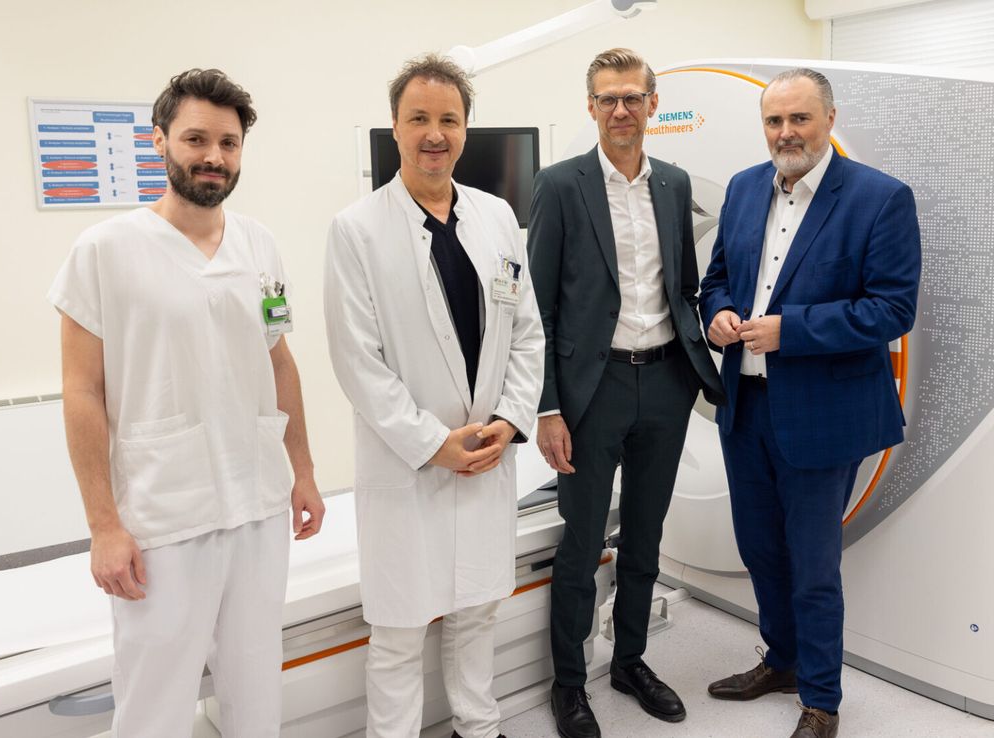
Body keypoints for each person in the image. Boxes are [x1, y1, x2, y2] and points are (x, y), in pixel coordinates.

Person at [50, 68, 325, 738]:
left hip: (258, 504)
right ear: (159, 141)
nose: (213, 156)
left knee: (256, 688)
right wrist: (103, 526)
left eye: (228, 143)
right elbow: (82, 391)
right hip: (163, 515)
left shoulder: (258, 244)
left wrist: (305, 472)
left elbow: (278, 361)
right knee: (154, 704)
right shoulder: (105, 251)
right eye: (196, 138)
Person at [323, 53, 543, 738]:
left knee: (477, 610)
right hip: (407, 465)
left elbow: (527, 331)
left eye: (448, 119)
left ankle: (478, 727)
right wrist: (432, 444)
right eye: (419, 118)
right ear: (395, 128)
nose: (434, 133)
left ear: (466, 130)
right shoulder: (357, 229)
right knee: (398, 626)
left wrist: (508, 420)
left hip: (485, 452)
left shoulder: (499, 217)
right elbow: (357, 362)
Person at [699, 67, 921, 738]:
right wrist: (719, 315)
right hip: (748, 405)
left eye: (800, 119)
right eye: (774, 121)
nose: (786, 132)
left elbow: (891, 309)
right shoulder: (742, 189)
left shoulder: (879, 198)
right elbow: (714, 281)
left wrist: (789, 332)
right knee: (760, 548)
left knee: (813, 564)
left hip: (825, 411)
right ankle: (784, 660)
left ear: (828, 119)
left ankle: (821, 700)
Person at [527, 47, 725, 738]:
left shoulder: (672, 185)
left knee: (646, 535)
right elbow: (539, 309)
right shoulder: (559, 185)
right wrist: (548, 406)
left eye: (632, 97)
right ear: (591, 107)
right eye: (608, 98)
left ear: (651, 104)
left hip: (667, 381)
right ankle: (570, 683)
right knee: (583, 544)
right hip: (594, 387)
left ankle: (631, 661)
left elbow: (686, 286)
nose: (620, 109)